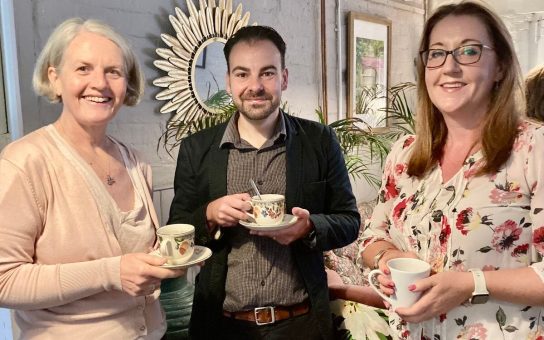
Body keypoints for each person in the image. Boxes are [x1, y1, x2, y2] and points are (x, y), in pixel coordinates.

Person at [361, 1, 544, 339]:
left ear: (501, 66)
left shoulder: (534, 148)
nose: (450, 67)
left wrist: (470, 284)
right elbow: (372, 235)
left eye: (469, 51)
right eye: (437, 53)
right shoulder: (405, 153)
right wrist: (388, 258)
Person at [168, 25, 360, 339]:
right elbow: (178, 225)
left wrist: (308, 227)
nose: (255, 86)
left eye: (267, 73)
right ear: (229, 81)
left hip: (302, 324)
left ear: (283, 78)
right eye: (242, 74)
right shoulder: (197, 149)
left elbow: (349, 221)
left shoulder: (319, 141)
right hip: (222, 326)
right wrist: (209, 215)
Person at [0, 18, 185, 339]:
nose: (100, 83)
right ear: (54, 79)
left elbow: (138, 261)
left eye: (113, 71)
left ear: (127, 85)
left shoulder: (136, 163)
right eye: (83, 68)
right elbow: (4, 281)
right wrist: (111, 272)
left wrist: (164, 262)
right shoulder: (25, 162)